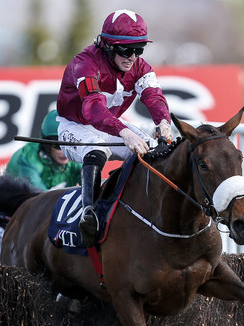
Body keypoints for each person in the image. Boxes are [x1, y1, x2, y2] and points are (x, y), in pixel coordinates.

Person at [56, 9, 174, 247]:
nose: (132, 57)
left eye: (139, 49)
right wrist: (124, 132)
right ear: (107, 46)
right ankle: (88, 214)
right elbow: (93, 109)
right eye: (126, 50)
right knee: (97, 150)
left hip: (110, 125)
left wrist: (163, 122)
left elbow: (153, 96)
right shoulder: (85, 64)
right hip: (75, 126)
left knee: (152, 151)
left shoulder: (141, 67)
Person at [6, 110, 82, 190]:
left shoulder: (77, 156)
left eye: (70, 144)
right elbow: (37, 195)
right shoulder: (30, 159)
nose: (65, 152)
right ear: (46, 144)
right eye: (58, 145)